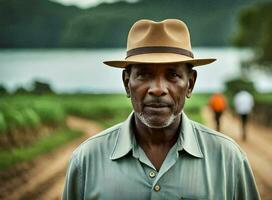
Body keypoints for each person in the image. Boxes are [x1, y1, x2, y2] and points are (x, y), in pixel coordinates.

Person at [62, 19, 260, 200]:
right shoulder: (87, 160)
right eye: (144, 74)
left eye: (172, 74)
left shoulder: (228, 159)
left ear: (190, 84)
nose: (157, 89)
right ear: (126, 83)